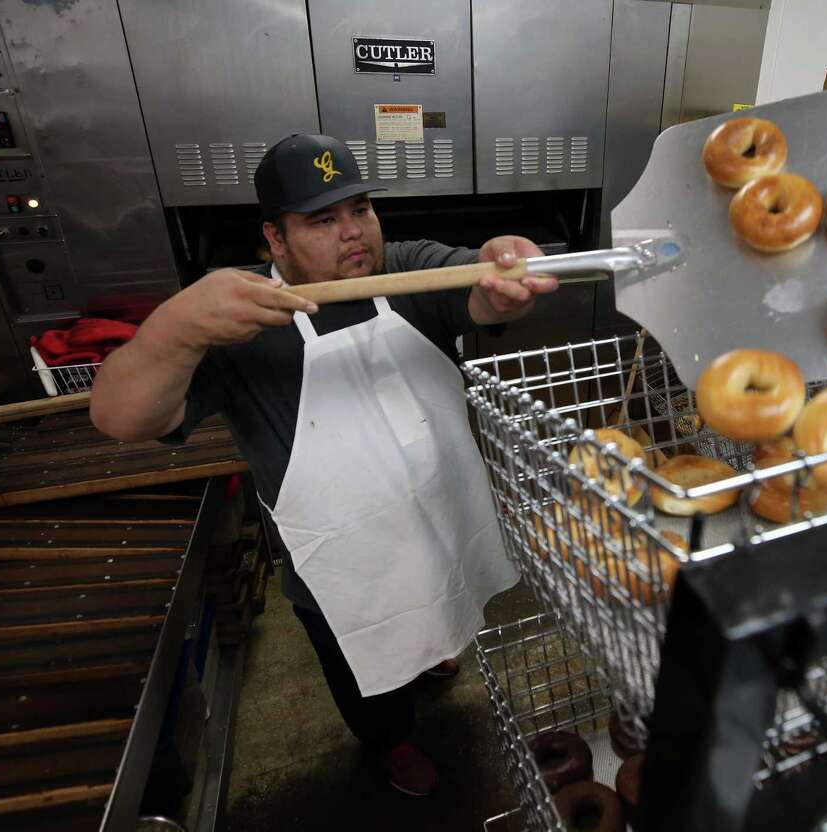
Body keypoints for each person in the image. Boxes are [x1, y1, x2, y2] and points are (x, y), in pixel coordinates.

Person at [90, 134, 558, 796]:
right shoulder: (241, 322)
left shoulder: (409, 270)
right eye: (322, 221)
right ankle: (390, 743)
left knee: (440, 604)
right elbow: (119, 418)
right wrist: (175, 328)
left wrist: (507, 273)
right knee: (366, 673)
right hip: (345, 562)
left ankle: (432, 654)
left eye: (359, 209)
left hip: (438, 519)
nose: (353, 234)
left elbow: (483, 289)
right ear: (274, 240)